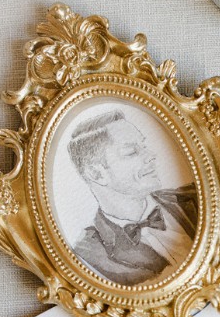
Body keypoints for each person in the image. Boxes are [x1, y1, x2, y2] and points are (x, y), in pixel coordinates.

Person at [65, 107, 198, 285]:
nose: (151, 156)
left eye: (144, 146)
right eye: (132, 152)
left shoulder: (193, 197)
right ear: (96, 174)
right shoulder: (87, 254)